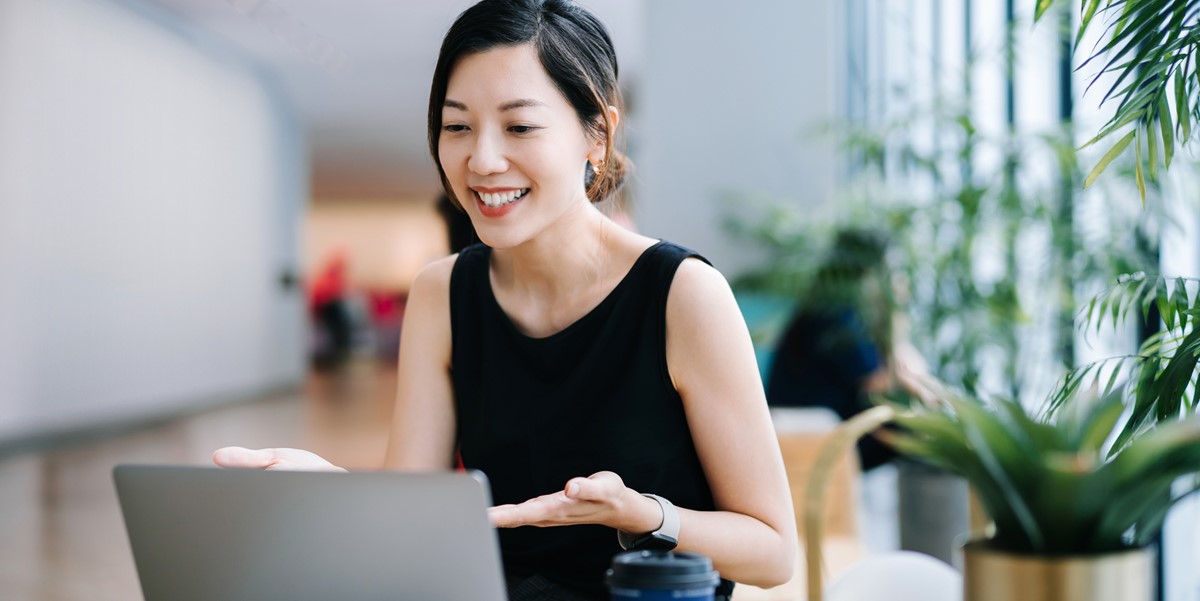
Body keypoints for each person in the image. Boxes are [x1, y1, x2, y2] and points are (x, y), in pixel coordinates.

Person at [213, 1, 797, 599]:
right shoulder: (443, 292)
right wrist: (336, 486)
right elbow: (414, 519)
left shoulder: (682, 295)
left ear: (597, 132)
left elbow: (774, 554)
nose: (483, 160)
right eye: (457, 126)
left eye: (519, 127)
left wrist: (642, 514)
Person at [765, 228, 927, 471]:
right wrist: (895, 317)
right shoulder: (839, 315)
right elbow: (882, 383)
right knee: (914, 428)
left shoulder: (826, 305)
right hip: (814, 432)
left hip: (814, 424)